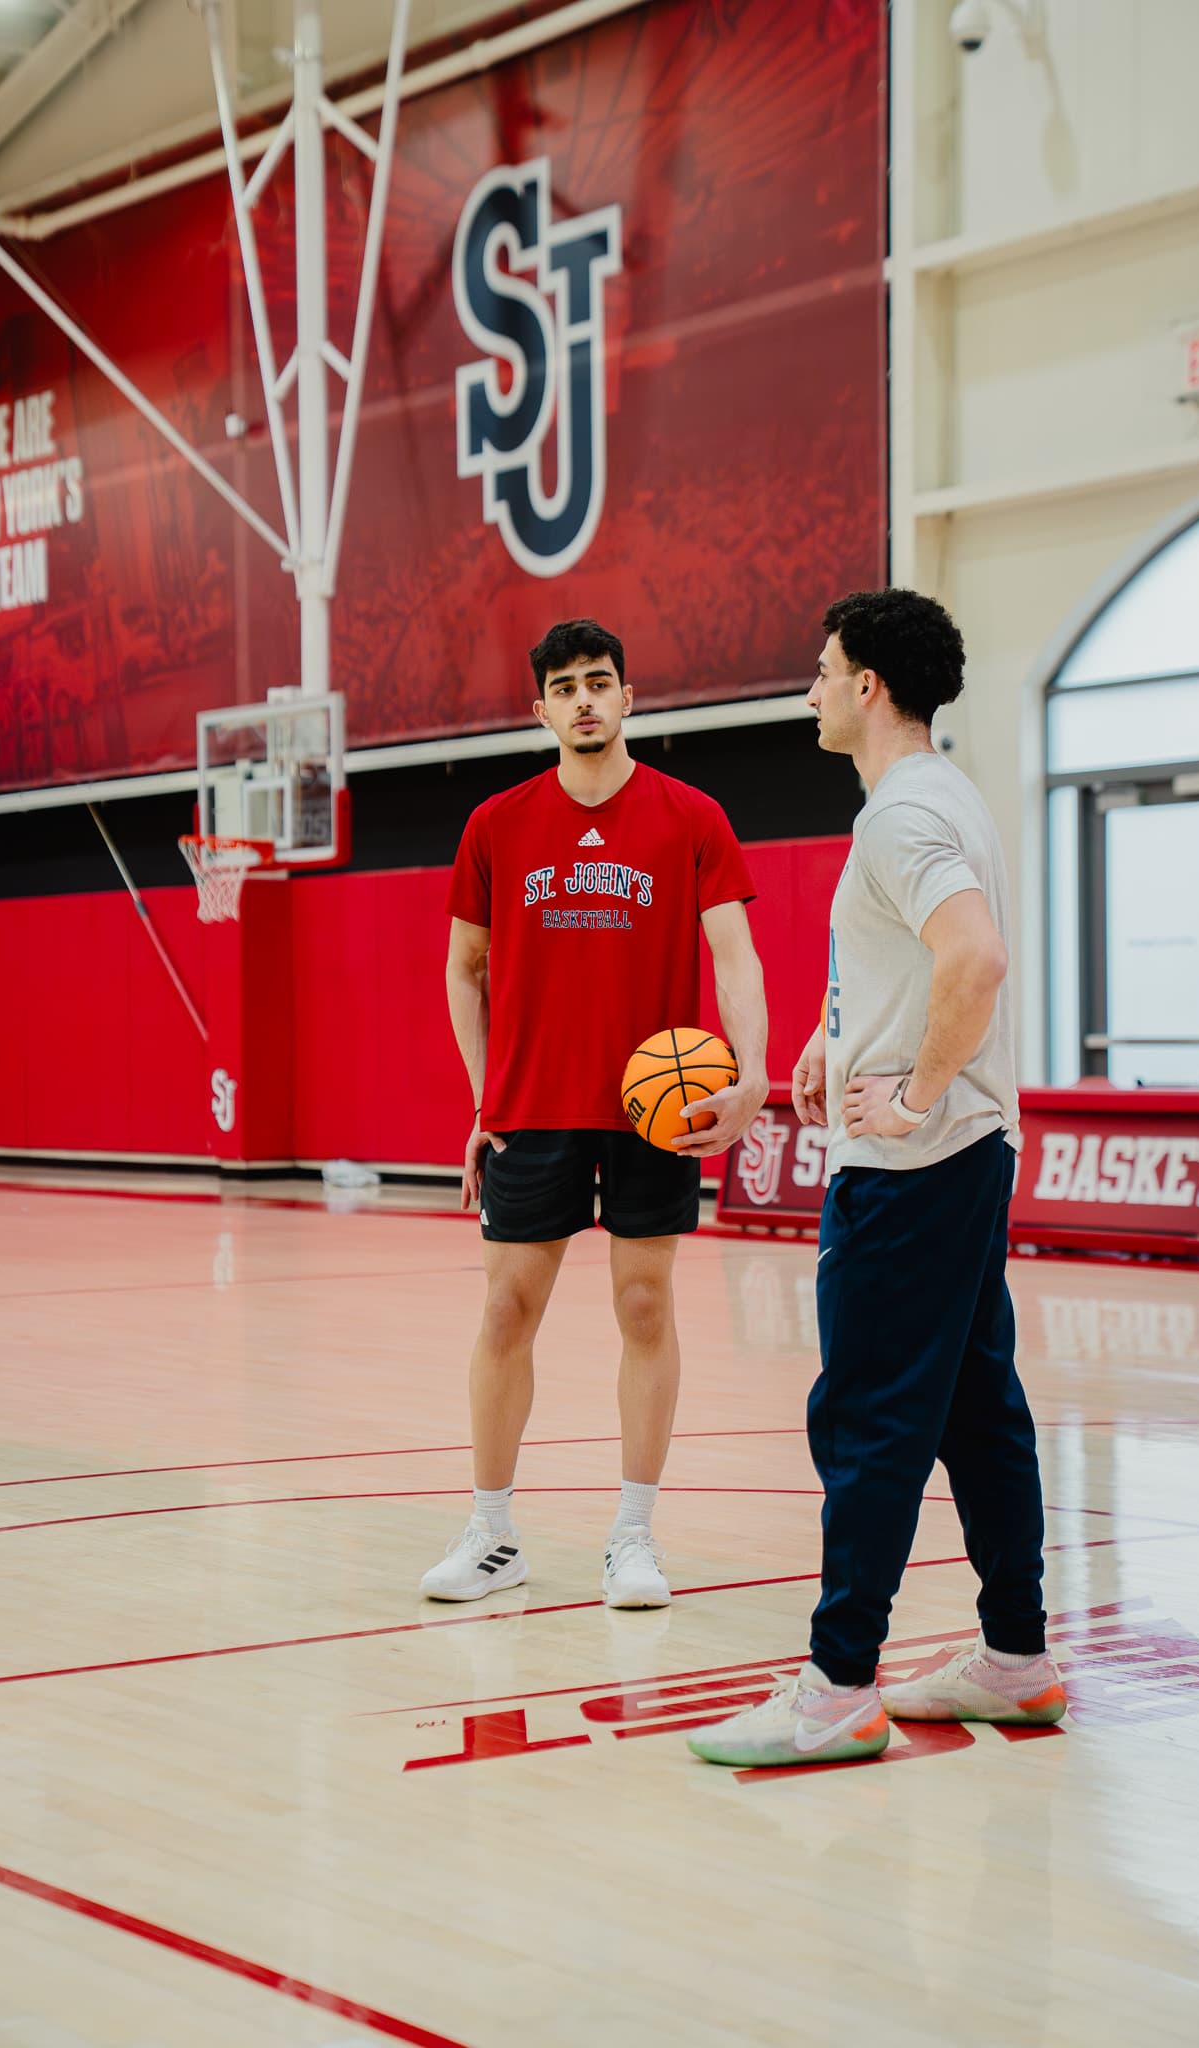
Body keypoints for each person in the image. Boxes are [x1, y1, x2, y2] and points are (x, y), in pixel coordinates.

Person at [690, 587, 1065, 1766]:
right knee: (975, 1410)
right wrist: (834, 1046)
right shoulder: (944, 798)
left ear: (868, 688)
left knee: (867, 1419)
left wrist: (906, 1097)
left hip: (912, 1170)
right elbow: (920, 964)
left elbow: (976, 959)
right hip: (963, 1158)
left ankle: (840, 1681)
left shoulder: (899, 816)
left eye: (820, 670)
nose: (807, 689)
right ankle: (1014, 1656)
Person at [422, 618, 769, 1610]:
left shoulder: (691, 815)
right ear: (540, 708)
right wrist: (484, 1097)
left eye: (600, 682)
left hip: (653, 1106)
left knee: (645, 1307)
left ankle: (633, 1534)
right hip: (532, 1106)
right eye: (565, 686)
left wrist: (750, 1074)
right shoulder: (496, 824)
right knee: (502, 1312)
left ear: (628, 698)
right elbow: (463, 967)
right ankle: (492, 1533)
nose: (584, 699)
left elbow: (734, 953)